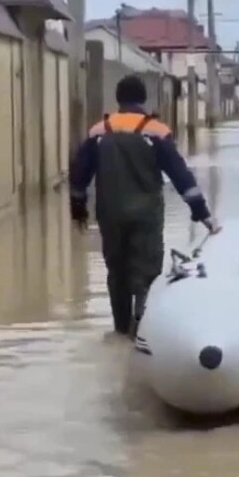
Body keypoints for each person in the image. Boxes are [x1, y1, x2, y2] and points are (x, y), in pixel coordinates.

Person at [69, 75, 221, 337]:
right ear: (143, 99)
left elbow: (79, 174)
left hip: (110, 214)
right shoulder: (156, 131)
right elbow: (180, 174)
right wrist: (202, 214)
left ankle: (119, 330)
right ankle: (141, 332)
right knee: (147, 271)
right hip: (146, 215)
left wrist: (78, 207)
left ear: (118, 99)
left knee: (117, 272)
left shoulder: (99, 131)